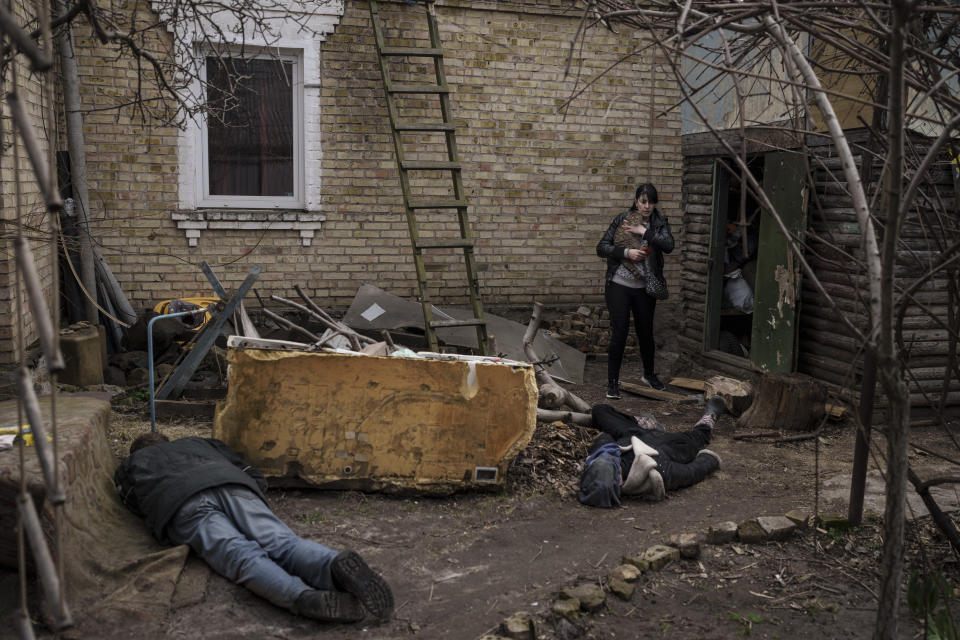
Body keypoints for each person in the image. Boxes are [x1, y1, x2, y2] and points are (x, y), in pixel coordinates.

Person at [114, 432, 394, 623]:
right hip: (231, 483)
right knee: (282, 541)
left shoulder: (133, 463)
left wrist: (161, 516)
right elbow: (249, 471)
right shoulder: (200, 442)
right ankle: (332, 566)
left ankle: (301, 597)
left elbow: (133, 502)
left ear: (137, 452)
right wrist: (252, 493)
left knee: (239, 554)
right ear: (167, 438)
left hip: (181, 501)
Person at [596, 183, 675, 398]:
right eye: (643, 201)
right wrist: (626, 252)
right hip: (619, 285)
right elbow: (602, 248)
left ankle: (648, 375)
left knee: (645, 333)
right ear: (636, 201)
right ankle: (612, 382)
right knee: (619, 333)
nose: (647, 206)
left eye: (651, 202)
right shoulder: (622, 219)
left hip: (644, 287)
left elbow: (669, 246)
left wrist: (645, 232)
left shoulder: (659, 223)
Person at [577, 396, 725, 508]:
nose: (609, 456)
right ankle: (709, 419)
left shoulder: (603, 458)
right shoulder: (655, 470)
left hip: (632, 432)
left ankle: (646, 423)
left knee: (599, 410)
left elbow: (605, 438)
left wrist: (601, 448)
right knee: (697, 437)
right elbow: (690, 472)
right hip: (672, 444)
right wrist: (709, 460)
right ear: (620, 480)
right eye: (611, 461)